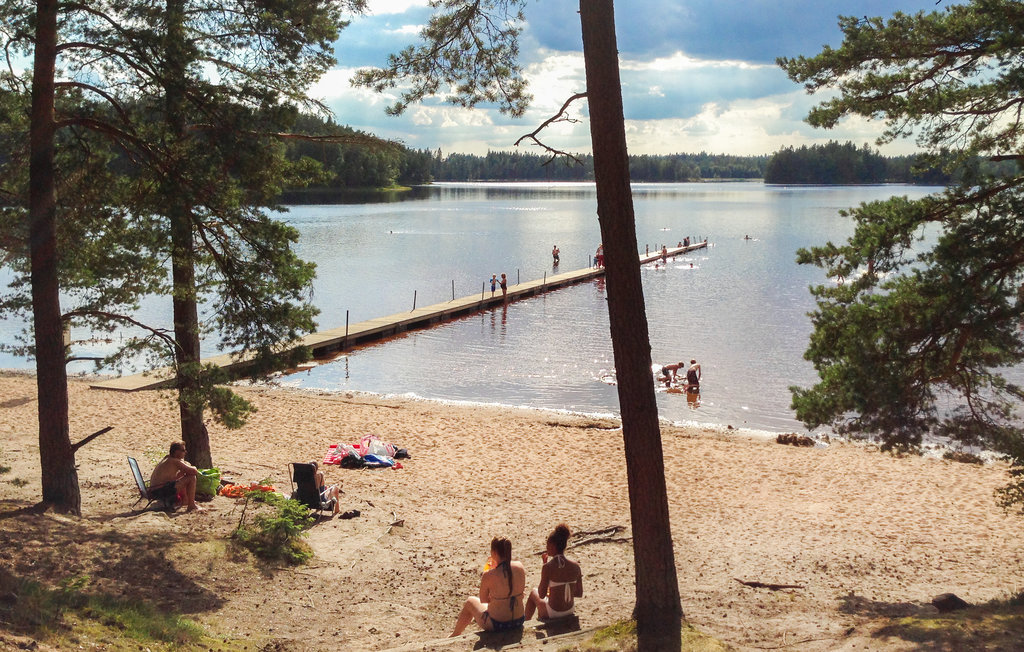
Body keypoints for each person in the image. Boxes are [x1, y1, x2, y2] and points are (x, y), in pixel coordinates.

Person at [451, 537, 526, 636]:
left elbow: (483, 600)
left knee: (470, 601)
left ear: (494, 552)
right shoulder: (520, 566)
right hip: (519, 620)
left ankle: (455, 634)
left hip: (498, 624)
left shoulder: (489, 575)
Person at [525, 524, 583, 621]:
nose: (546, 548)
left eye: (547, 546)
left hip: (553, 612)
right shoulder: (576, 566)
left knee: (533, 593)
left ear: (553, 546)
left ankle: (526, 622)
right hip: (570, 609)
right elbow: (579, 593)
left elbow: (541, 594)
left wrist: (545, 567)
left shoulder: (548, 567)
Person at [149, 441, 202, 512]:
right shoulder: (175, 461)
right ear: (176, 452)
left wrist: (184, 468)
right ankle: (191, 506)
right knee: (192, 477)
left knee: (182, 474)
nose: (185, 452)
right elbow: (193, 471)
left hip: (154, 490)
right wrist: (193, 467)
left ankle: (185, 500)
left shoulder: (167, 458)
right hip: (160, 492)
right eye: (183, 450)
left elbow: (178, 474)